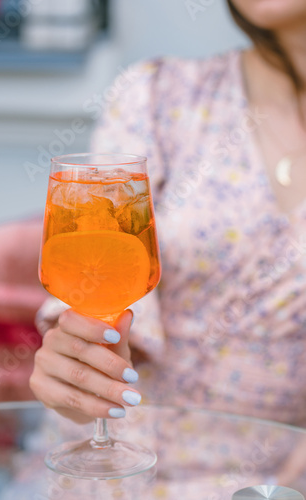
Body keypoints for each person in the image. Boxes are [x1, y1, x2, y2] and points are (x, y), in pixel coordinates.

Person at [29, 0, 306, 428]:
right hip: (134, 452)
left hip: (279, 479)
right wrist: (77, 376)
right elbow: (93, 299)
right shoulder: (158, 98)